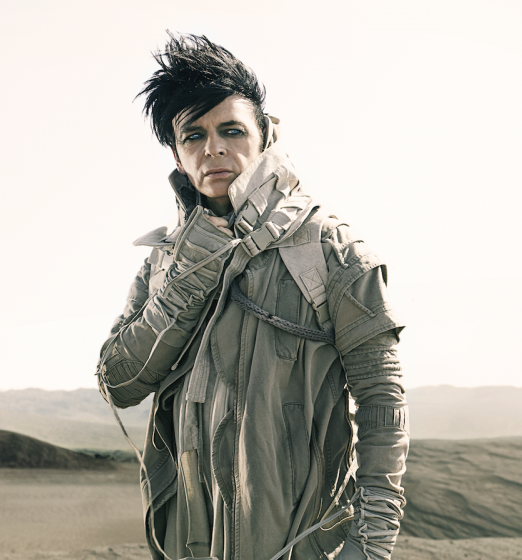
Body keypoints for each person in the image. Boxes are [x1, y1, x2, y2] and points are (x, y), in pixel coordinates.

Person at [96, 33, 409, 560]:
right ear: (177, 155)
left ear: (264, 137)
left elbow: (382, 403)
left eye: (232, 130)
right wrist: (191, 274)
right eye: (193, 135)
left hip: (304, 542)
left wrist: (372, 543)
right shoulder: (165, 264)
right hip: (188, 543)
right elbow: (118, 383)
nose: (213, 149)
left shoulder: (330, 250)